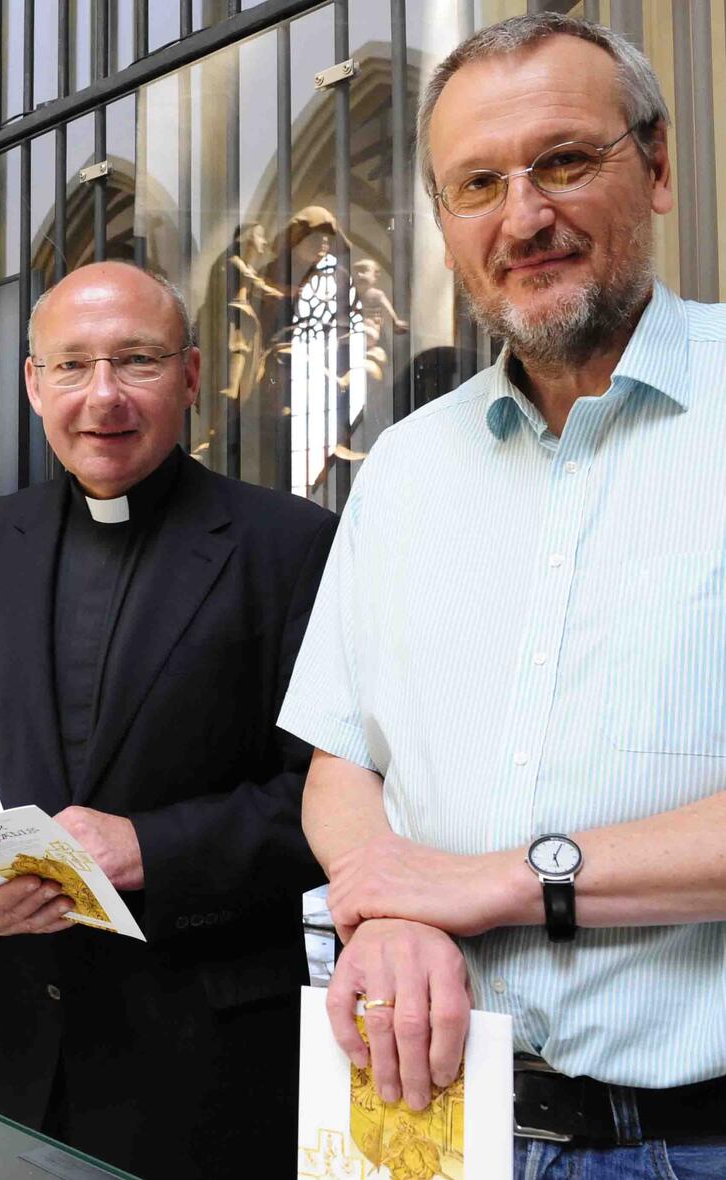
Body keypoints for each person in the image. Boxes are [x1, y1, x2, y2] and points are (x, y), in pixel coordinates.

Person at [280, 13, 726, 1177]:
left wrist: (481, 886)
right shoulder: (407, 469)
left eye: (564, 162)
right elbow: (343, 757)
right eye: (476, 184)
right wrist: (383, 906)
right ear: (442, 224)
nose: (522, 217)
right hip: (447, 1124)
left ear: (660, 165)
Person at [0, 261, 336, 1178]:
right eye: (73, 366)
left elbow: (331, 793)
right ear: (35, 385)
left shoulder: (288, 545)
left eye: (138, 361)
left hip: (202, 1060)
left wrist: (150, 848)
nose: (104, 397)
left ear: (194, 376)